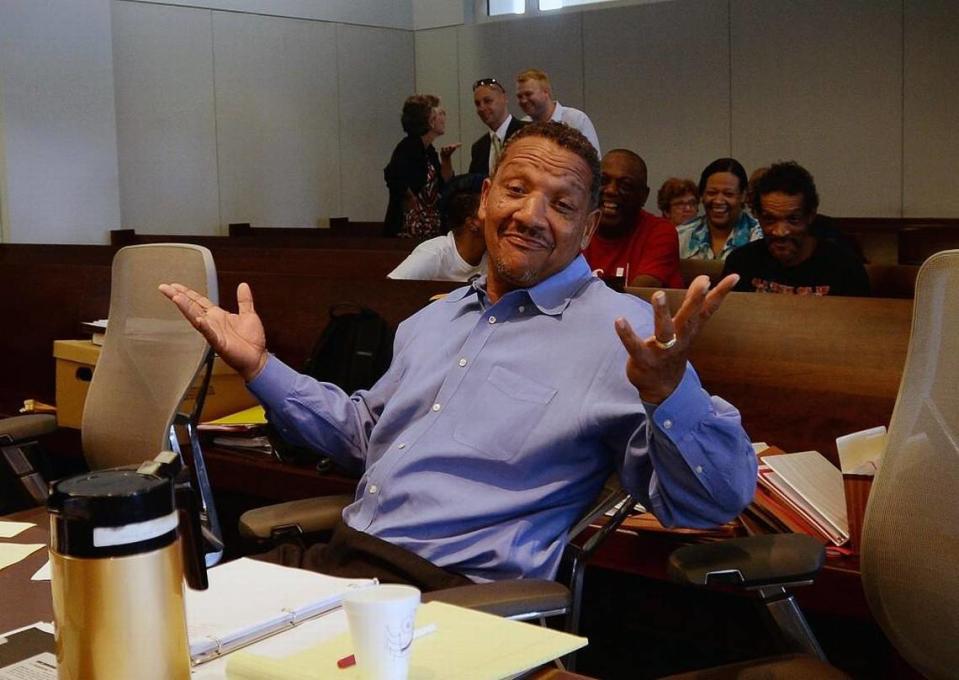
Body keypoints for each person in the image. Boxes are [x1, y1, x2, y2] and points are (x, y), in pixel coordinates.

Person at [161, 122, 756, 588]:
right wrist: (260, 368)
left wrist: (669, 394)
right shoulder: (434, 319)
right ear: (485, 200)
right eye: (516, 190)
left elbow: (711, 502)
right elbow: (365, 435)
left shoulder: (621, 339)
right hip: (341, 560)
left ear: (589, 226)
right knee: (162, 624)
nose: (531, 216)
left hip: (451, 595)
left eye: (562, 204)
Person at [723, 161, 870, 296]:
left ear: (810, 216)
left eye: (793, 219)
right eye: (770, 219)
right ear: (758, 217)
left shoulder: (845, 268)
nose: (780, 232)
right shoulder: (741, 263)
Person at [583, 149, 683, 288]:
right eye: (603, 181)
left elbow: (639, 298)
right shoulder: (578, 226)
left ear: (644, 195)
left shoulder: (660, 231)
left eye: (625, 185)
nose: (611, 190)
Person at [383, 95, 459, 238]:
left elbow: (445, 186)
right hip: (408, 229)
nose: (444, 117)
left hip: (427, 226)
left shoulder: (429, 151)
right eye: (441, 114)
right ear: (430, 121)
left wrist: (446, 159)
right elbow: (392, 175)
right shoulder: (408, 146)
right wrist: (410, 198)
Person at [388, 174, 487, 282]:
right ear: (472, 223)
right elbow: (388, 289)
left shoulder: (495, 253)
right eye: (488, 207)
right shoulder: (433, 254)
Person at [677, 158, 761, 260]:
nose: (718, 201)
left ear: (743, 196)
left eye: (728, 194)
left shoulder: (761, 237)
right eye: (712, 193)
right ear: (702, 195)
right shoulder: (680, 236)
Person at [515, 68, 600, 154]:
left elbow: (593, 160)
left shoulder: (576, 119)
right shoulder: (523, 126)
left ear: (546, 92)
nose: (523, 100)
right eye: (519, 96)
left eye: (528, 94)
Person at [468, 78, 525, 176]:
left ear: (504, 98)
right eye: (477, 104)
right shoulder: (479, 148)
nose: (482, 108)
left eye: (487, 101)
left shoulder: (527, 133)